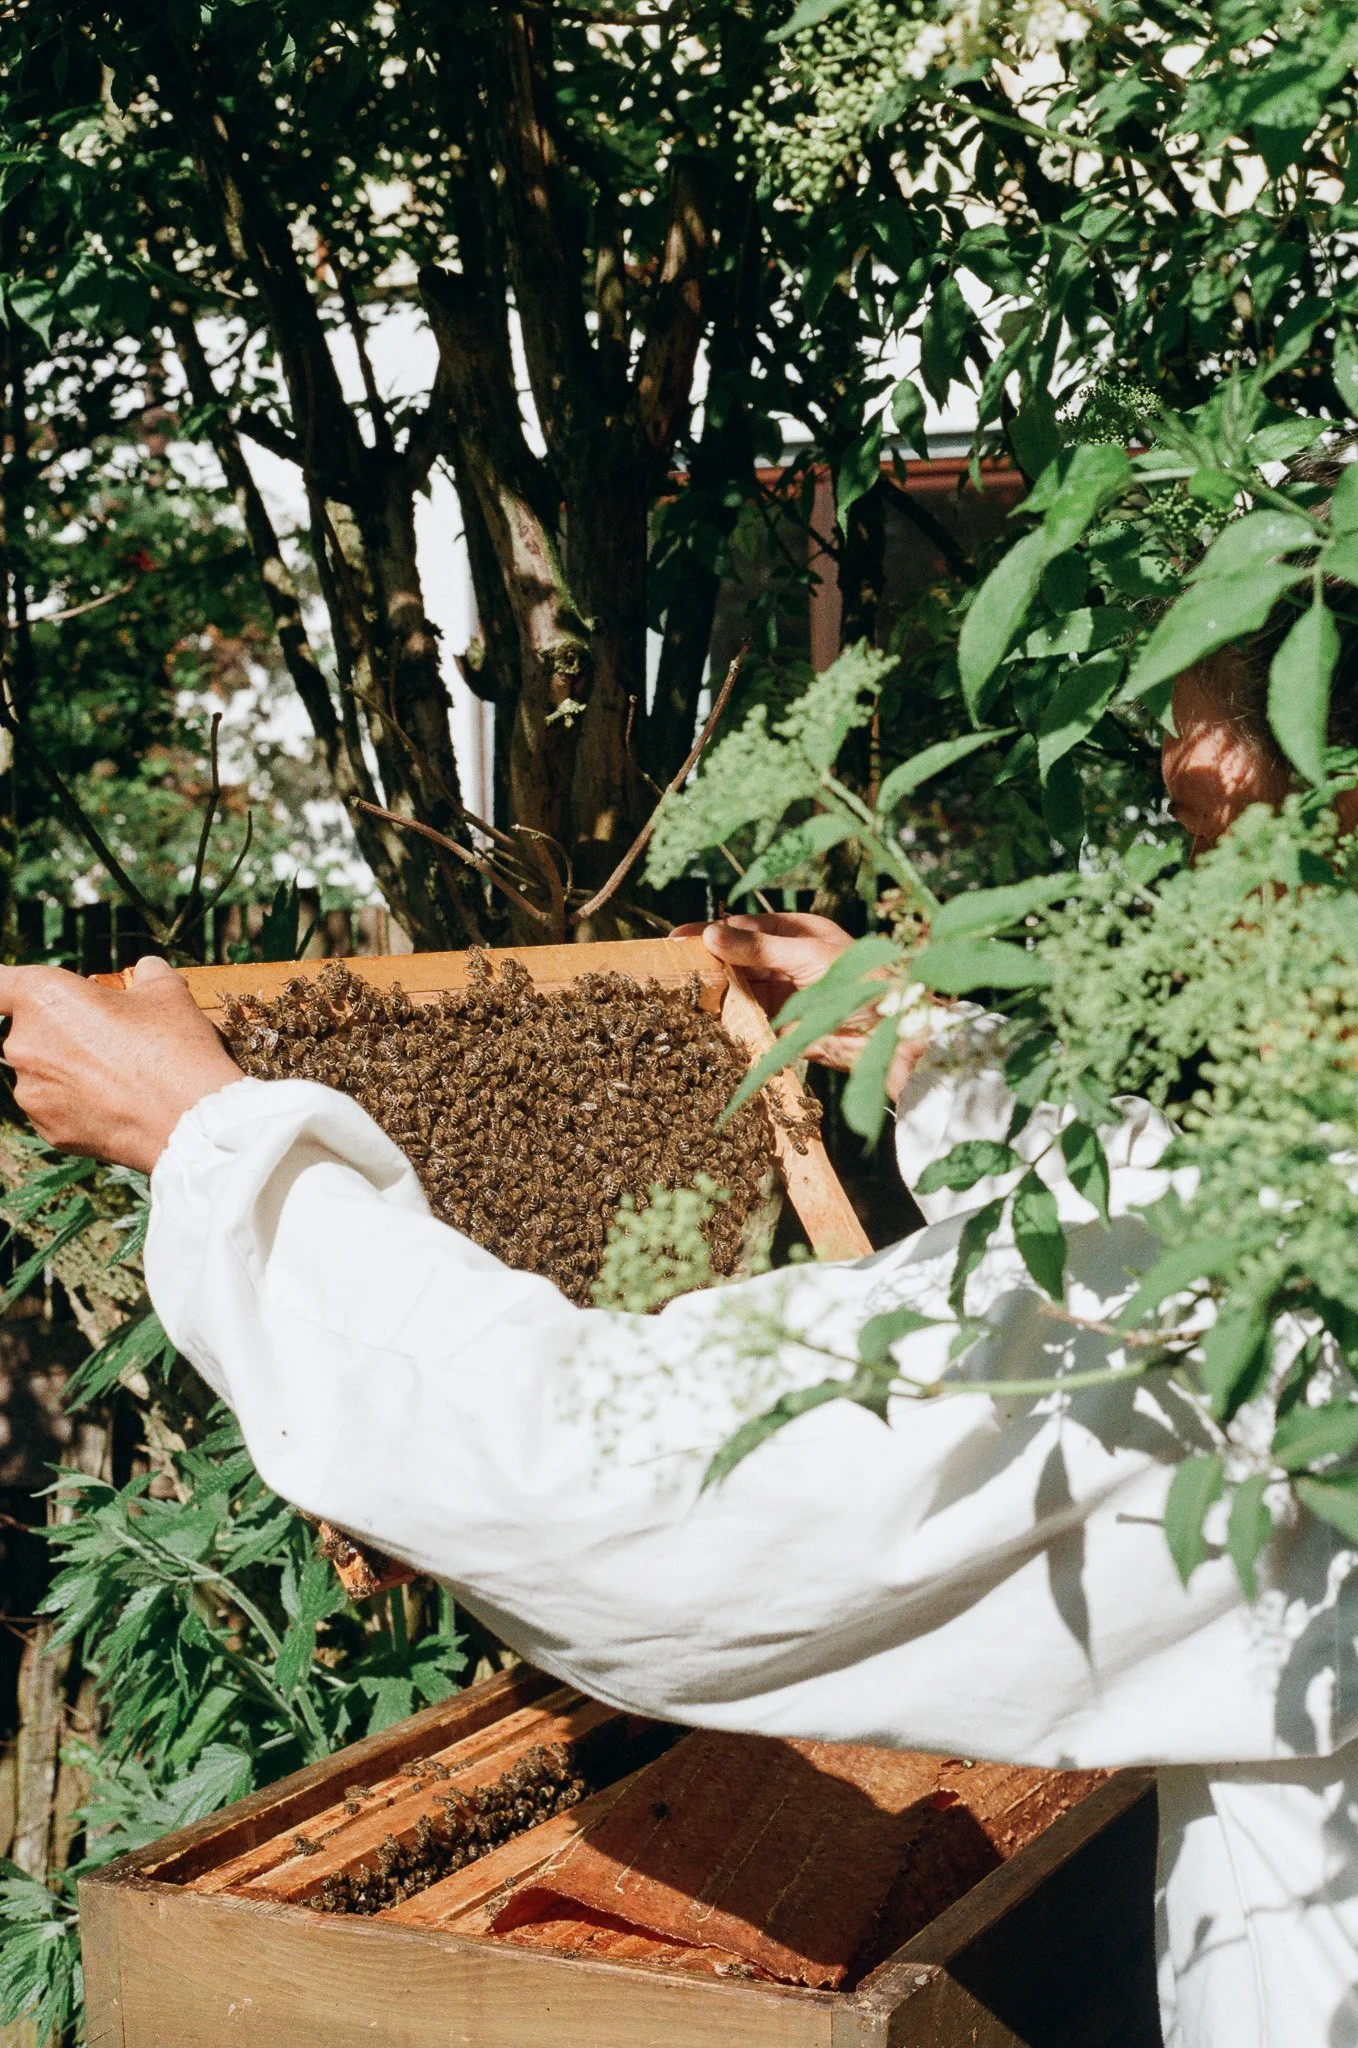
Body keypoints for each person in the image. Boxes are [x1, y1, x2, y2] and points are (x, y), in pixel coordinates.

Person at [2, 654, 1355, 2048]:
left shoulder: (1283, 1294)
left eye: (1247, 707)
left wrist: (209, 1142)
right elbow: (1147, 1212)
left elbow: (623, 1484)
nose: (1193, 772)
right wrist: (920, 1050)